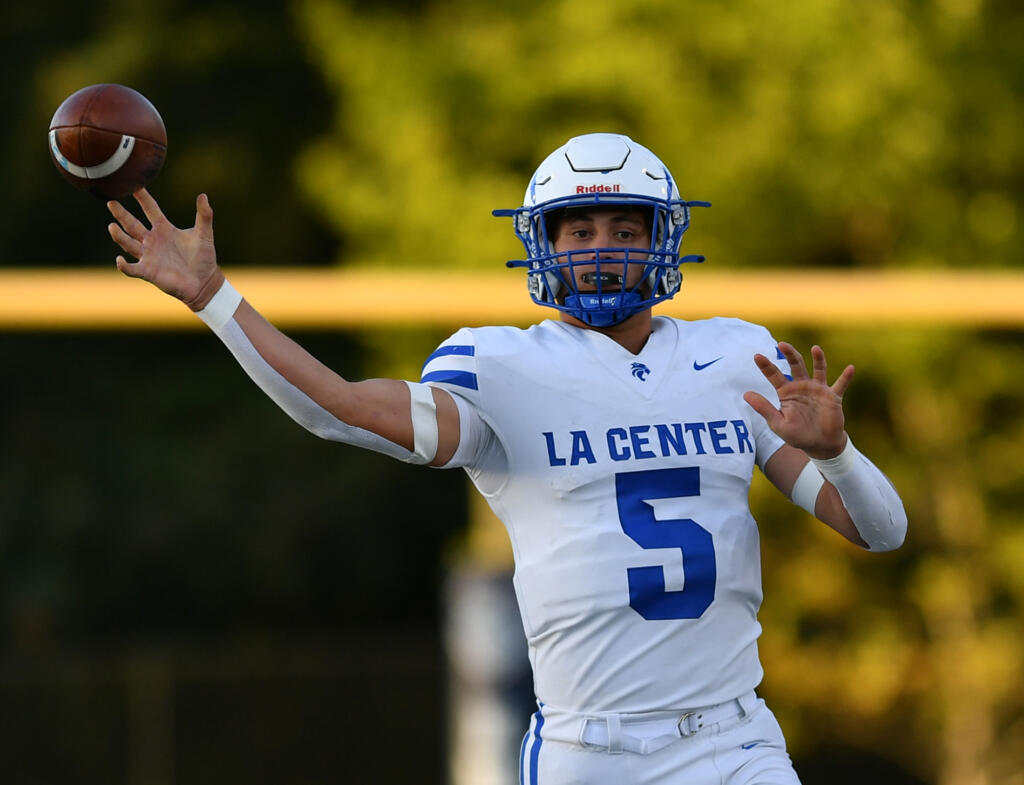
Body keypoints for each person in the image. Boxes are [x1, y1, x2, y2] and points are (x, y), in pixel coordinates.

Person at [107, 132, 907, 785]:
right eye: (581, 231)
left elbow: (881, 531)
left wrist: (835, 453)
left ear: (663, 240)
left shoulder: (736, 358)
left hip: (733, 744)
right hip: (590, 755)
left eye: (627, 231)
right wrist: (216, 300)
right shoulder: (505, 368)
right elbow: (338, 410)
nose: (602, 251)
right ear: (544, 245)